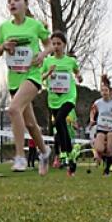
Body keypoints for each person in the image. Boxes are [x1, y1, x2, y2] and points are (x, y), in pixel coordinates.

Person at [0, 0, 51, 174]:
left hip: (32, 75)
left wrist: (42, 55)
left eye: (16, 0)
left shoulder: (35, 25)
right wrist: (4, 47)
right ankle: (45, 151)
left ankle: (20, 157)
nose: (12, 3)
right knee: (31, 124)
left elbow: (49, 44)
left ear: (25, 4)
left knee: (13, 109)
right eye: (9, 0)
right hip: (14, 78)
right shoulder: (4, 28)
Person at [42, 31, 81, 175]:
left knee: (59, 120)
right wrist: (48, 73)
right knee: (60, 125)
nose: (56, 46)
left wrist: (79, 76)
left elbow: (77, 71)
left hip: (69, 97)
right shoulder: (47, 62)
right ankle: (72, 158)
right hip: (54, 99)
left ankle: (64, 151)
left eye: (59, 43)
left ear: (64, 45)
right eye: (54, 44)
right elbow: (39, 78)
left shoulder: (70, 61)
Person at [89, 75, 112, 176]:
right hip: (101, 128)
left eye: (106, 90)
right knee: (99, 148)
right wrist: (92, 120)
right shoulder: (98, 102)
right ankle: (101, 159)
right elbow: (92, 111)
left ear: (109, 92)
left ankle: (107, 170)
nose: (104, 92)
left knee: (109, 150)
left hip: (111, 128)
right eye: (102, 91)